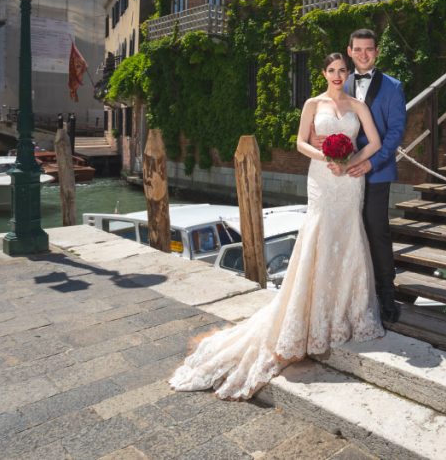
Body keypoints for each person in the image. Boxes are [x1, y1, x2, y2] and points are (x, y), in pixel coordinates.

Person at [169, 53, 385, 400]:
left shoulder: (358, 106)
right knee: (319, 235)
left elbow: (374, 142)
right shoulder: (312, 104)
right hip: (322, 178)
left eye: (342, 70)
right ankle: (311, 314)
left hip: (349, 182)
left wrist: (350, 162)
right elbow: (300, 142)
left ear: (348, 74)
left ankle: (345, 312)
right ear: (323, 73)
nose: (337, 75)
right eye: (331, 70)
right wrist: (328, 157)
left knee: (348, 239)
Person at [312, 29, 407, 323]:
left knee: (376, 230)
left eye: (369, 49)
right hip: (341, 176)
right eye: (358, 49)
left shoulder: (393, 87)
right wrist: (318, 139)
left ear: (376, 51)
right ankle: (351, 295)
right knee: (347, 232)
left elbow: (396, 132)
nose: (363, 54)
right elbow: (323, 117)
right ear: (349, 51)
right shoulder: (340, 80)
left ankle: (387, 295)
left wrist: (371, 163)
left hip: (376, 171)